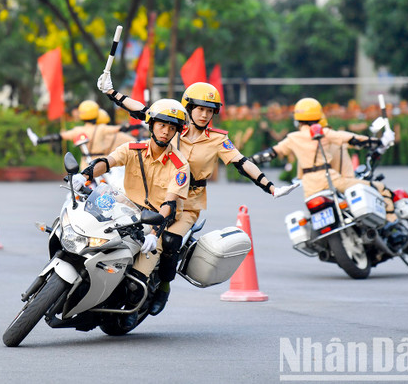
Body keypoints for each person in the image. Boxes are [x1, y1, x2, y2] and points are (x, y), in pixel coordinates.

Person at [97, 75, 296, 314]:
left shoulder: (218, 140)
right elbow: (143, 111)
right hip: (153, 194)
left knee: (169, 241)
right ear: (189, 108)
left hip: (186, 203)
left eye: (209, 111)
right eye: (200, 109)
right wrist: (111, 92)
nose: (204, 115)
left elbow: (241, 163)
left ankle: (163, 287)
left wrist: (270, 186)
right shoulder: (173, 126)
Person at [72, 98, 190, 328]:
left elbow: (169, 205)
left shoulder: (180, 165)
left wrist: (154, 234)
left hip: (157, 220)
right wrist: (85, 175)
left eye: (172, 127)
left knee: (136, 283)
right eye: (162, 125)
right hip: (127, 210)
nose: (166, 131)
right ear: (152, 124)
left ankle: (134, 309)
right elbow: (108, 162)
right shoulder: (132, 149)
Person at [251, 97, 395, 205]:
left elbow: (269, 154)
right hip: (330, 180)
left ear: (297, 119)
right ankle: (393, 228)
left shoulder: (293, 138)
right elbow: (352, 139)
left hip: (309, 187)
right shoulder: (325, 133)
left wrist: (248, 161)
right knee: (380, 188)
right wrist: (380, 141)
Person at [27, 100, 127, 169]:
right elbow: (120, 128)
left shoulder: (77, 130)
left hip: (86, 165)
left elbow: (59, 137)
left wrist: (39, 140)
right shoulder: (101, 128)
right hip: (102, 163)